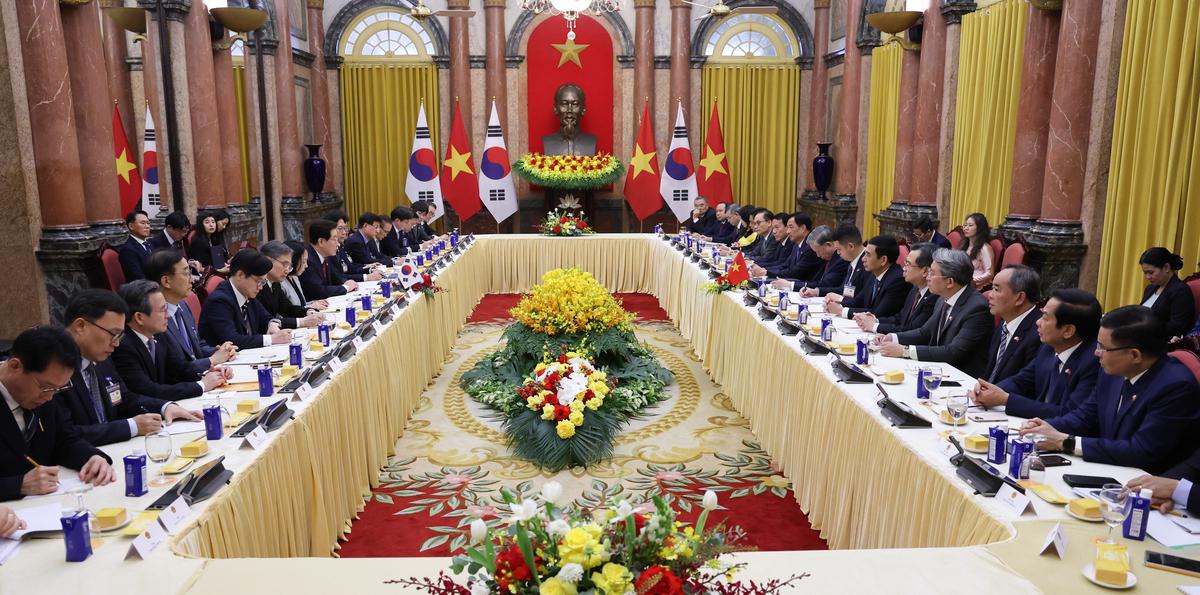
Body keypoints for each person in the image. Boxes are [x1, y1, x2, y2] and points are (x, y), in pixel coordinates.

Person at [1019, 306, 1200, 474]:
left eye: (1103, 347)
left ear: (1135, 355)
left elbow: (1141, 451)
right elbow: (1085, 417)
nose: (1096, 353)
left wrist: (1066, 442)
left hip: (1146, 484)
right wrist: (1046, 427)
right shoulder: (1113, 372)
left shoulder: (1176, 387)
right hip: (1108, 468)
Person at [55, 289, 200, 446]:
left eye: (120, 335)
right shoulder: (52, 367)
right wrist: (131, 426)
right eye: (113, 334)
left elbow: (123, 398)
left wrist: (165, 407)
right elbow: (65, 434)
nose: (116, 343)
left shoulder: (100, 357)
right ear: (80, 326)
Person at [0, 327, 115, 501]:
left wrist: (92, 457)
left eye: (58, 389)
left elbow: (64, 439)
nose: (49, 397)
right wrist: (17, 485)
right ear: (15, 366)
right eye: (45, 388)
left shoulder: (45, 392)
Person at [971, 288, 1102, 419]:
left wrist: (1006, 400)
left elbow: (1068, 413)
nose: (1038, 322)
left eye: (1045, 317)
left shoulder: (1093, 362)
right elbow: (1021, 381)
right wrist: (988, 390)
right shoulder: (1048, 348)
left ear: (1068, 330)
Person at [876, 248, 995, 378]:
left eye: (932, 273)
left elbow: (953, 352)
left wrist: (905, 351)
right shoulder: (942, 298)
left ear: (949, 282)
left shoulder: (977, 308)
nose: (927, 277)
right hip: (939, 370)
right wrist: (892, 337)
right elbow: (925, 333)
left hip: (962, 378)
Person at [111, 280, 229, 401]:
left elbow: (180, 368)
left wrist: (208, 373)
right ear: (139, 317)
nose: (168, 315)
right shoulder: (122, 346)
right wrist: (202, 385)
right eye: (162, 310)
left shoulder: (159, 334)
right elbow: (147, 390)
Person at [142, 249, 237, 375]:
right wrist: (212, 360)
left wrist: (220, 351)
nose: (192, 279)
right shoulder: (154, 318)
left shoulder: (182, 305)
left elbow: (197, 347)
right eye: (186, 273)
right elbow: (174, 369)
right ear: (166, 281)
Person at [198, 250, 293, 350]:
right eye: (258, 281)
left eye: (263, 282)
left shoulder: (246, 292)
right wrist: (271, 339)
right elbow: (233, 340)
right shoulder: (219, 301)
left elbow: (266, 317)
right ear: (240, 275)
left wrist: (272, 324)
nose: (260, 287)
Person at [856, 242, 939, 334]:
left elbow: (912, 330)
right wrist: (875, 320)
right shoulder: (915, 289)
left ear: (925, 271)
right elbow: (900, 318)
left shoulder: (934, 297)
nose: (904, 269)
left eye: (908, 264)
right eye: (905, 263)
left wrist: (874, 326)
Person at [982, 265, 1043, 383]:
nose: (990, 295)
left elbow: (1026, 384)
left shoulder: (1039, 332)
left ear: (1019, 298)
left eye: (996, 289)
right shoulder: (1004, 324)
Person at [826, 235, 909, 320]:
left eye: (868, 255)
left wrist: (842, 311)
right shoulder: (874, 274)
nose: (863, 259)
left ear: (883, 260)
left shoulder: (897, 280)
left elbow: (879, 314)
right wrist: (835, 305)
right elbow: (858, 301)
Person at [257, 241, 324, 329]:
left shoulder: (275, 283)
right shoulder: (257, 286)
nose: (287, 270)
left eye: (289, 266)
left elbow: (287, 308)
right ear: (268, 260)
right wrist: (301, 322)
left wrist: (308, 311)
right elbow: (267, 320)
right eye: (285, 264)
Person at [1138, 247, 1196, 339]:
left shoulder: (1180, 291)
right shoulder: (1150, 289)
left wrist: (1146, 328)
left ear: (1166, 267)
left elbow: (1177, 327)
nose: (1148, 277)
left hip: (1160, 341)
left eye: (1151, 272)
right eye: (1145, 273)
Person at [803, 224, 868, 298]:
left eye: (839, 249)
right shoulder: (852, 262)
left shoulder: (866, 264)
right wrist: (816, 292)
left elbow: (861, 299)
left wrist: (841, 301)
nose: (838, 253)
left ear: (850, 246)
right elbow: (843, 290)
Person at [750, 213, 820, 282]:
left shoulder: (810, 247)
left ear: (803, 228)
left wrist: (767, 273)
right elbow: (784, 265)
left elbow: (795, 273)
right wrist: (764, 270)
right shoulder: (797, 244)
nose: (788, 231)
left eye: (791, 227)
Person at [774, 225, 845, 292]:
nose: (818, 255)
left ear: (828, 245)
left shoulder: (840, 260)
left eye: (818, 251)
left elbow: (825, 285)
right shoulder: (827, 258)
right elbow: (814, 281)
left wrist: (790, 285)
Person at [300, 219, 359, 300]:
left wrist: (346, 282)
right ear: (321, 242)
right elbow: (319, 291)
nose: (338, 244)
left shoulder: (324, 256)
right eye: (334, 239)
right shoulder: (308, 260)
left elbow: (336, 277)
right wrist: (346, 287)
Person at [324, 211, 383, 282]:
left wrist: (369, 269)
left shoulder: (340, 246)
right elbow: (338, 277)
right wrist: (366, 277)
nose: (344, 232)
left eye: (345, 228)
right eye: (340, 228)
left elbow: (350, 267)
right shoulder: (328, 251)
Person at [281, 240, 328, 313]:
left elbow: (301, 304)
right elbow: (287, 312)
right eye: (303, 262)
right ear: (294, 261)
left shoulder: (295, 277)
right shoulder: (281, 282)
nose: (306, 266)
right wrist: (310, 307)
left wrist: (313, 303)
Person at [959, 212, 994, 290]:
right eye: (965, 225)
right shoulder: (965, 245)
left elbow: (989, 273)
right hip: (962, 284)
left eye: (970, 225)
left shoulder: (984, 248)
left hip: (976, 287)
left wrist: (971, 281)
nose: (966, 228)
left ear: (979, 228)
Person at [119, 209, 153, 281]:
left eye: (148, 223)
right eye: (143, 223)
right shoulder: (128, 250)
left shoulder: (149, 244)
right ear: (131, 226)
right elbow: (137, 278)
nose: (147, 226)